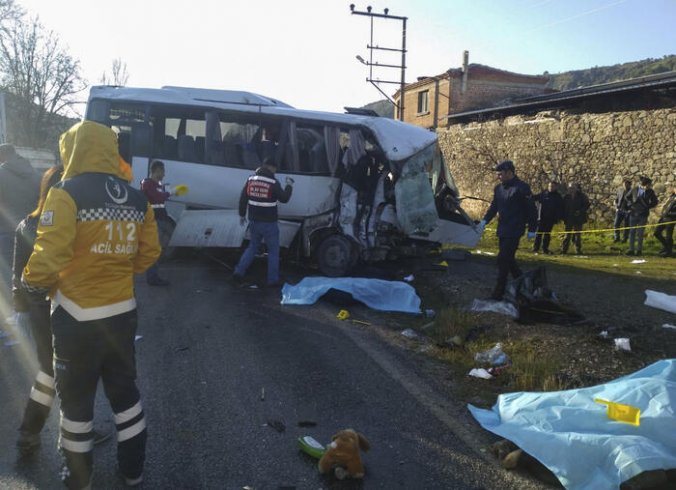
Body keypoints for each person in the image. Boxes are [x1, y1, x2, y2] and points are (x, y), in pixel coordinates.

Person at [22, 121, 161, 489]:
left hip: (75, 317)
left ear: (73, 149)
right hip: (122, 314)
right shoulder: (136, 198)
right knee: (126, 396)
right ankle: (133, 472)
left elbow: (50, 254)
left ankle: (78, 481)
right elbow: (148, 255)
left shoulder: (66, 193)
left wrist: (31, 282)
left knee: (77, 408)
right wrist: (116, 267)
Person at [477, 160, 537, 301]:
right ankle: (523, 283)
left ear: (510, 172)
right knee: (509, 260)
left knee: (503, 259)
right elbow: (494, 207)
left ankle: (498, 292)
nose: (499, 176)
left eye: (501, 173)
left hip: (515, 229)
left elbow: (531, 209)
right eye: (498, 174)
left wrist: (532, 228)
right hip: (503, 229)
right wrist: (485, 220)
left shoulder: (522, 188)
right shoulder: (498, 189)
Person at [232, 156, 293, 288]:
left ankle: (238, 272)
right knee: (273, 251)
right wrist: (289, 185)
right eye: (275, 169)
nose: (275, 171)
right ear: (271, 167)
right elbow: (284, 198)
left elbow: (243, 199)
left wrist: (242, 215)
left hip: (254, 221)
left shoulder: (250, 179)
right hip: (269, 224)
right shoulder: (273, 182)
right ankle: (272, 280)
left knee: (252, 247)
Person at [0, 143, 40, 325]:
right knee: (31, 274)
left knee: (9, 277)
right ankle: (32, 315)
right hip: (33, 233)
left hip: (7, 232)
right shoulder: (36, 175)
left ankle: (16, 319)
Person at [140, 159, 182, 286]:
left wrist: (168, 192)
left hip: (159, 220)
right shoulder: (147, 184)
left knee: (157, 249)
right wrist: (170, 193)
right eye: (162, 172)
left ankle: (153, 275)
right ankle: (152, 277)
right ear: (156, 171)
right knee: (154, 249)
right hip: (154, 221)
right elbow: (158, 197)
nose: (163, 175)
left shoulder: (156, 184)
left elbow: (160, 197)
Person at [625, 176, 658, 256]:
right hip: (633, 214)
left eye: (649, 185)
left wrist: (648, 206)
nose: (649, 186)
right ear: (644, 184)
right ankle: (631, 250)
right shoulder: (635, 189)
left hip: (643, 215)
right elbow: (627, 197)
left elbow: (655, 201)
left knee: (640, 233)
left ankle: (639, 250)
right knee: (632, 232)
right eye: (648, 185)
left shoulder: (650, 191)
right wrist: (631, 205)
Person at [531, 181, 564, 254]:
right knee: (538, 233)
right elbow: (534, 198)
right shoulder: (543, 194)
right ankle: (535, 248)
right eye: (549, 186)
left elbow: (560, 208)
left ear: (555, 187)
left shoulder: (558, 197)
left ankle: (545, 248)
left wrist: (558, 218)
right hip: (541, 218)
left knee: (547, 234)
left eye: (552, 186)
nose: (550, 188)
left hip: (550, 219)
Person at [561, 183, 590, 255]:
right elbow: (563, 207)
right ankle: (564, 250)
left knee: (577, 235)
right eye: (570, 188)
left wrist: (580, 211)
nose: (571, 189)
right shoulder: (566, 197)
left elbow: (587, 205)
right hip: (569, 218)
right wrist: (563, 217)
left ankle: (578, 250)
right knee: (567, 235)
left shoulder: (582, 196)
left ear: (576, 188)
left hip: (578, 218)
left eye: (573, 188)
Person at [653, 185, 675, 257]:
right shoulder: (671, 197)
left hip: (671, 219)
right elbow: (666, 206)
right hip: (663, 218)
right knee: (656, 233)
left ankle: (669, 252)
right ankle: (666, 246)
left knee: (668, 236)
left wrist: (670, 214)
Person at [613, 178, 632, 242]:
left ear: (629, 185)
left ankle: (624, 239)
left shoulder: (632, 192)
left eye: (626, 184)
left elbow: (634, 202)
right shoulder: (620, 190)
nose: (624, 185)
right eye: (624, 184)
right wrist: (616, 207)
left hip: (628, 211)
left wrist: (631, 210)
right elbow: (616, 200)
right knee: (616, 224)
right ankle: (616, 238)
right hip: (619, 210)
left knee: (626, 226)